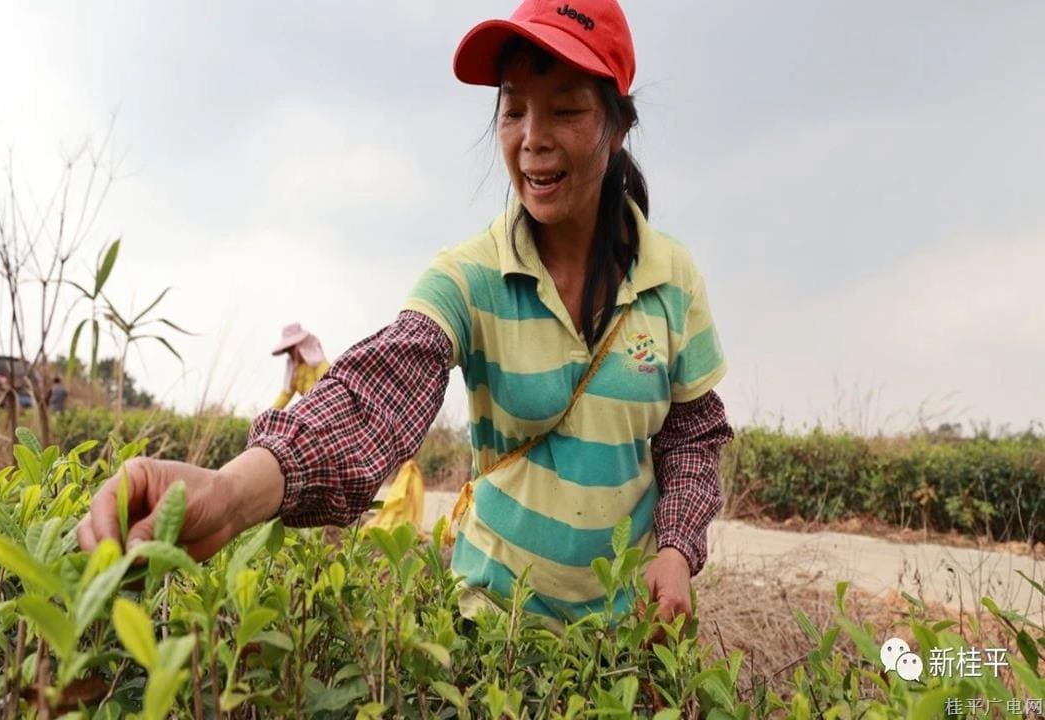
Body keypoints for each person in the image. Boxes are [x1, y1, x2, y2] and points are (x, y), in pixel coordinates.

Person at [77, 0, 733, 631]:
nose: (533, 140)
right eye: (513, 111)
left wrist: (675, 550)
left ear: (619, 127)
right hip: (494, 636)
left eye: (565, 110)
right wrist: (229, 493)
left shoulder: (672, 278)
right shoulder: (468, 278)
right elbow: (374, 397)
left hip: (626, 637)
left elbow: (691, 435)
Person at [270, 322, 331, 410]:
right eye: (287, 350)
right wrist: (270, 413)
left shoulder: (318, 362)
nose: (289, 353)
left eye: (291, 349)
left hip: (324, 408)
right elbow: (286, 394)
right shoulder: (295, 370)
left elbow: (327, 387)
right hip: (309, 410)